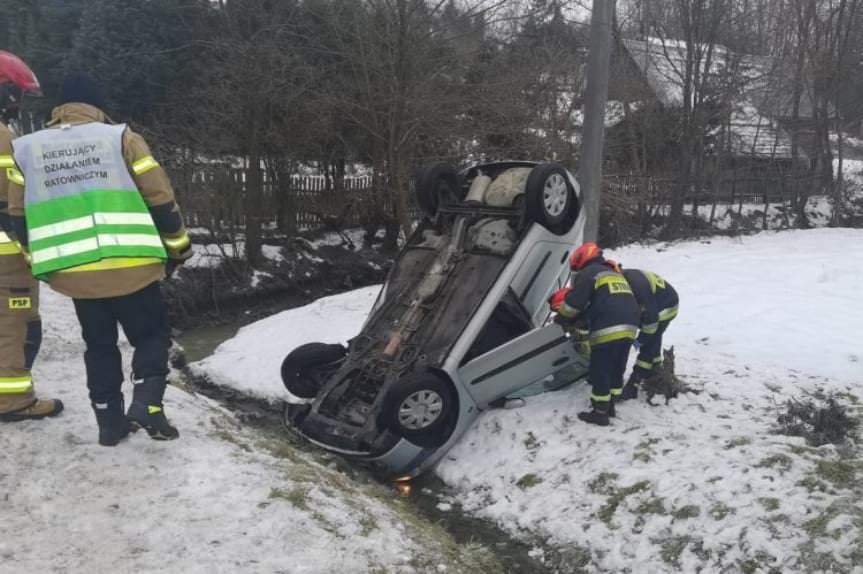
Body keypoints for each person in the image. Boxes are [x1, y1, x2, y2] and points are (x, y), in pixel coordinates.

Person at [7, 73, 192, 444]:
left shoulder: (26, 149)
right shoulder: (120, 138)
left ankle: (109, 424)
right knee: (151, 336)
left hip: (79, 275)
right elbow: (159, 197)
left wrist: (36, 261)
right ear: (96, 106)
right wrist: (178, 247)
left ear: (58, 109)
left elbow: (17, 216)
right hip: (134, 265)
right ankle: (148, 405)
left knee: (100, 346)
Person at [0, 51, 63, 422]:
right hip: (6, 260)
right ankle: (11, 400)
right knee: (15, 325)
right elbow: (16, 202)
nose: (18, 105)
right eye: (17, 96)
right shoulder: (4, 139)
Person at [549, 242, 640, 426]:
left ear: (582, 260)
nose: (577, 272)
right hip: (630, 327)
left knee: (600, 371)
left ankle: (599, 413)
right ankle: (610, 407)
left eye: (576, 268)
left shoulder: (590, 273)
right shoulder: (615, 274)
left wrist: (562, 319)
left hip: (608, 327)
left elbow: (574, 303)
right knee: (616, 369)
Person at [618, 266, 679, 400]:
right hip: (657, 303)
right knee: (653, 341)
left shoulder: (638, 287)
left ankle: (633, 384)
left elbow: (651, 322)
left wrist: (640, 340)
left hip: (666, 308)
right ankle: (654, 370)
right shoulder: (625, 278)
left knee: (649, 344)